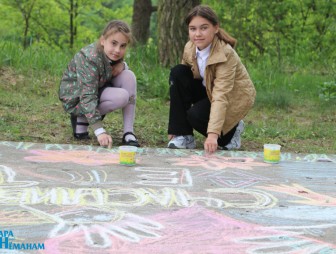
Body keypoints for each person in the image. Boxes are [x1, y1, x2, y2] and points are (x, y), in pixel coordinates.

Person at [167, 5, 256, 154]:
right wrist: (176, 127)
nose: (198, 34)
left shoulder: (226, 53)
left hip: (233, 98)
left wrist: (213, 135)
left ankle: (232, 132)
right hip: (208, 89)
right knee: (178, 73)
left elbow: (221, 95)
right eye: (193, 29)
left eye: (204, 28)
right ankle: (184, 136)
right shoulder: (190, 47)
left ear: (215, 28)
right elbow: (182, 85)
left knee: (195, 116)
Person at [59, 20, 140, 148]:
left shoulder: (111, 54)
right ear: (103, 40)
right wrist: (99, 131)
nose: (117, 50)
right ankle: (82, 117)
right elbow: (87, 95)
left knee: (129, 76)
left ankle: (128, 132)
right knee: (121, 96)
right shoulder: (89, 58)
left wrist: (123, 65)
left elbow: (112, 68)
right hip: (77, 98)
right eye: (114, 43)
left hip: (99, 87)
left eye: (123, 46)